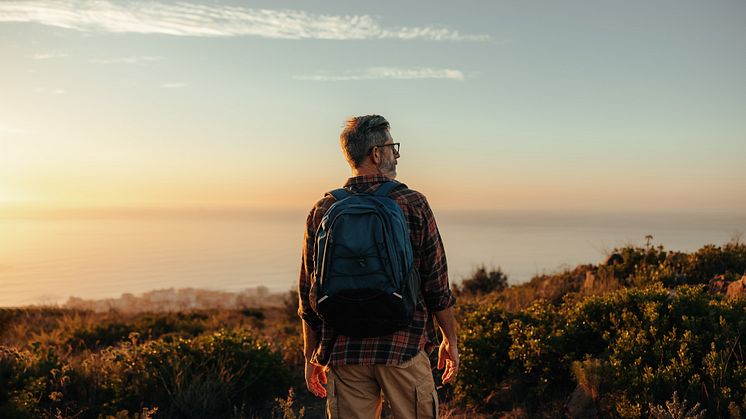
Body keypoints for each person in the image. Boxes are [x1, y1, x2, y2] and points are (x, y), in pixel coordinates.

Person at [297, 115, 459, 419]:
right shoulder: (412, 203)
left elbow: (309, 294)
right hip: (404, 347)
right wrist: (450, 340)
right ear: (376, 153)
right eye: (391, 147)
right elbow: (436, 283)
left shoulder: (323, 209)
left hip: (344, 352)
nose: (395, 155)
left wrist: (311, 356)